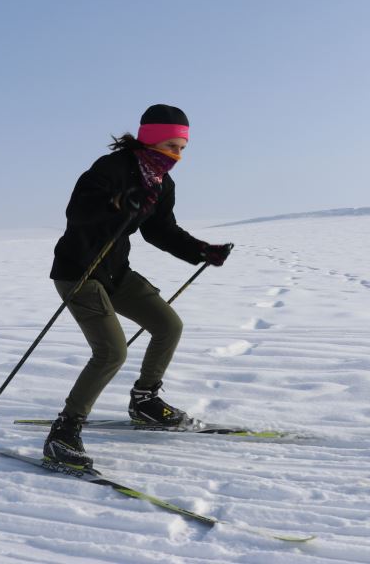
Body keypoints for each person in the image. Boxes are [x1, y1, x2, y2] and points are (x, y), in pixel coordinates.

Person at [44, 104, 232, 468]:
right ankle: (64, 432)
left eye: (182, 148)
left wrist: (201, 251)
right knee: (112, 352)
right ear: (150, 139)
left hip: (116, 271)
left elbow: (160, 231)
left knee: (167, 325)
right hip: (79, 271)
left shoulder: (162, 183)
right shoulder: (111, 168)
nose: (178, 155)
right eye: (172, 146)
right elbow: (78, 212)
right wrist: (117, 204)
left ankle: (145, 401)